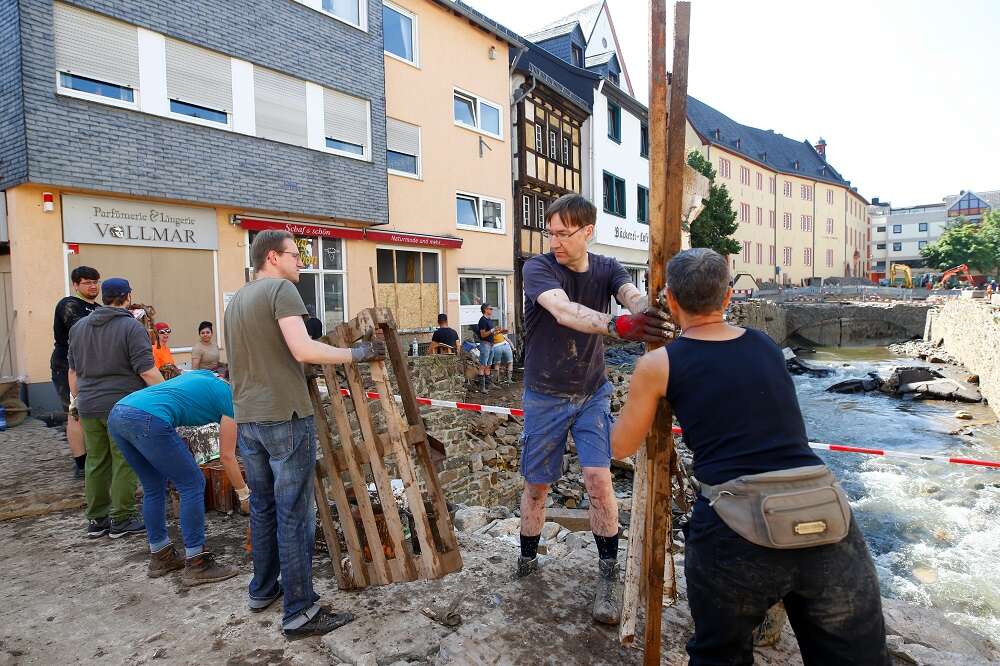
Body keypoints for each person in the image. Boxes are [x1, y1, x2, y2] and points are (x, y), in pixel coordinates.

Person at [611, 248, 888, 664]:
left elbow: (620, 447)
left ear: (670, 299)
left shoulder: (659, 364)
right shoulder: (765, 345)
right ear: (728, 298)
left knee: (719, 655)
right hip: (823, 512)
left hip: (734, 524)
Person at [516, 193, 670, 625]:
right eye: (551, 233)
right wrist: (618, 325)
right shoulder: (539, 268)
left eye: (565, 234)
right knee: (536, 486)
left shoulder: (606, 267)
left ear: (588, 232)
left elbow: (629, 294)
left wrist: (649, 312)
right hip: (544, 395)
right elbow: (564, 312)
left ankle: (608, 575)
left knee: (599, 481)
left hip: (592, 393)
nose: (555, 242)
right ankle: (526, 562)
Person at [225, 230, 385, 639]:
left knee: (263, 507)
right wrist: (357, 354)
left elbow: (261, 356)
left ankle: (262, 591)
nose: (301, 263)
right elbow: (303, 349)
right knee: (295, 512)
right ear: (273, 258)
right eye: (295, 256)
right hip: (285, 415)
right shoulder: (280, 290)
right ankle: (300, 612)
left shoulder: (237, 299)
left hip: (248, 418)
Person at [108, 370, 246, 584]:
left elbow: (177, 401)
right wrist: (244, 495)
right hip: (148, 418)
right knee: (193, 483)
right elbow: (227, 456)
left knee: (153, 486)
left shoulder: (206, 375)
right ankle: (197, 563)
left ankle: (161, 556)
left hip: (120, 412)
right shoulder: (232, 397)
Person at [68, 278, 164, 539]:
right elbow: (146, 371)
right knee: (124, 460)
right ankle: (122, 518)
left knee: (96, 461)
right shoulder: (131, 328)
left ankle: (97, 520)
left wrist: (76, 401)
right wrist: (169, 394)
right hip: (121, 405)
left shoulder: (78, 328)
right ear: (127, 297)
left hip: (88, 404)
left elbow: (73, 371)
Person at [51, 266, 101, 478]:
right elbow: (81, 330)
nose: (93, 286)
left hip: (94, 366)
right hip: (68, 365)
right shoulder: (69, 304)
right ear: (76, 285)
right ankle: (81, 464)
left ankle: (95, 458)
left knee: (93, 414)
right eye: (87, 282)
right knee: (75, 414)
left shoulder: (98, 308)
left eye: (95, 282)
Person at [476, 304, 504, 393]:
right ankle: (482, 387)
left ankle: (489, 384)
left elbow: (491, 333)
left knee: (488, 365)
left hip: (491, 344)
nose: (492, 310)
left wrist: (499, 331)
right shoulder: (482, 321)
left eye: (492, 308)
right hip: (485, 344)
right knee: (483, 365)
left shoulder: (489, 320)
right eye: (490, 309)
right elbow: (483, 334)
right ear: (485, 310)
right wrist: (492, 330)